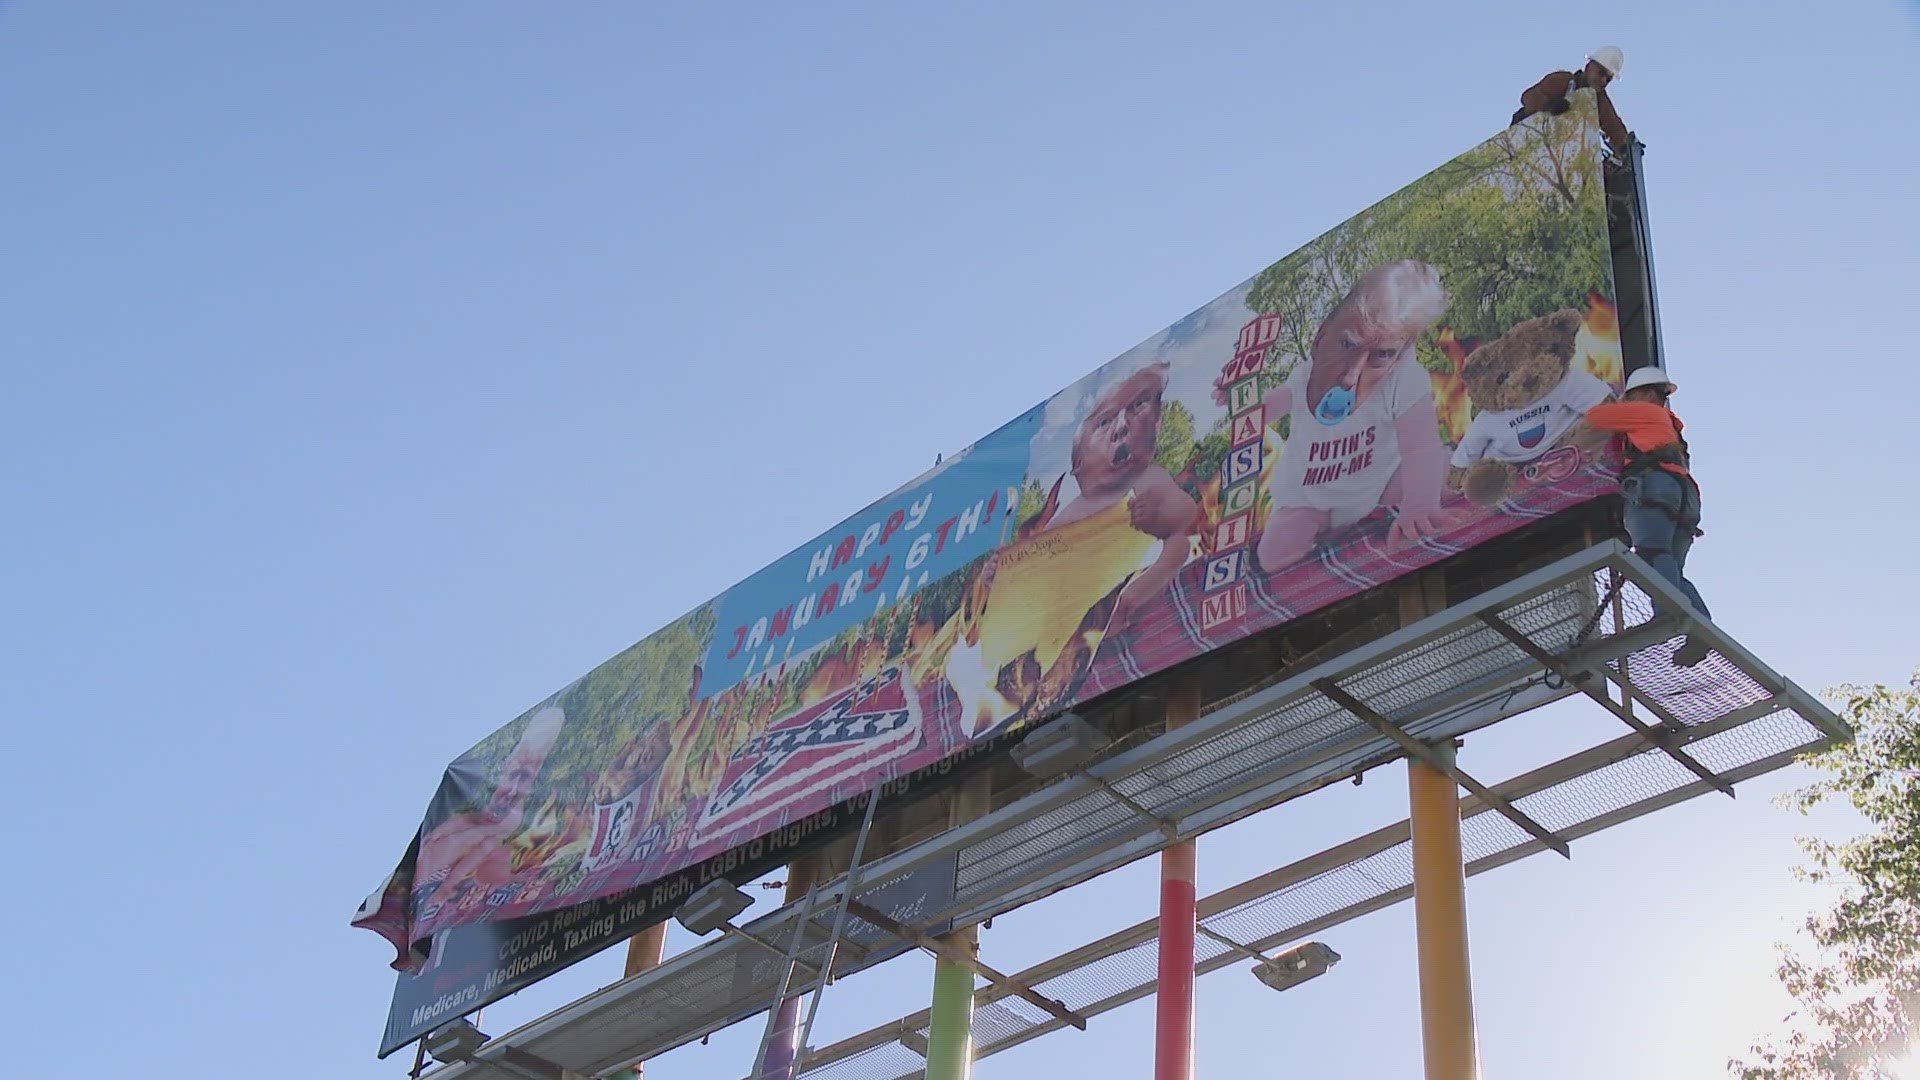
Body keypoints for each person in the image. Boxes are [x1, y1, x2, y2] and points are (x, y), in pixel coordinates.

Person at [1254, 260, 1459, 573]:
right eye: (1347, 344)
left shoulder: (1404, 381)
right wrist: (1245, 414)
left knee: (1448, 471)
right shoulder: (1306, 375)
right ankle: (1324, 544)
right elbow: (1270, 406)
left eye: (1383, 355)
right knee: (1272, 556)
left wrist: (1419, 504)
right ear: (1320, 337)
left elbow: (1420, 448)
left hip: (1381, 485)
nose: (1351, 377)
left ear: (1402, 355)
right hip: (1310, 501)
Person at [1585, 366, 1712, 666]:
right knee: (1670, 571)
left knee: (1652, 554)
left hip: (1655, 487)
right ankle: (1701, 629)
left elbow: (1595, 418)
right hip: (1685, 498)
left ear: (1643, 394)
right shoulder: (1671, 426)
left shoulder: (1644, 411)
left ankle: (1665, 612)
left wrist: (1615, 405)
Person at [417, 704, 567, 912]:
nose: (514, 791)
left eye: (527, 778)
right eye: (516, 775)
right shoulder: (462, 826)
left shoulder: (501, 833)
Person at [1511, 45, 1631, 154]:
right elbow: (1528, 97)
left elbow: (1614, 127)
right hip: (1525, 136)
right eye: (1601, 73)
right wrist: (1549, 107)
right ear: (1589, 67)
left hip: (1554, 149)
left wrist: (1627, 147)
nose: (1604, 80)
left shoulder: (1599, 100)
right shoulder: (1562, 80)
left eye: (1608, 79)